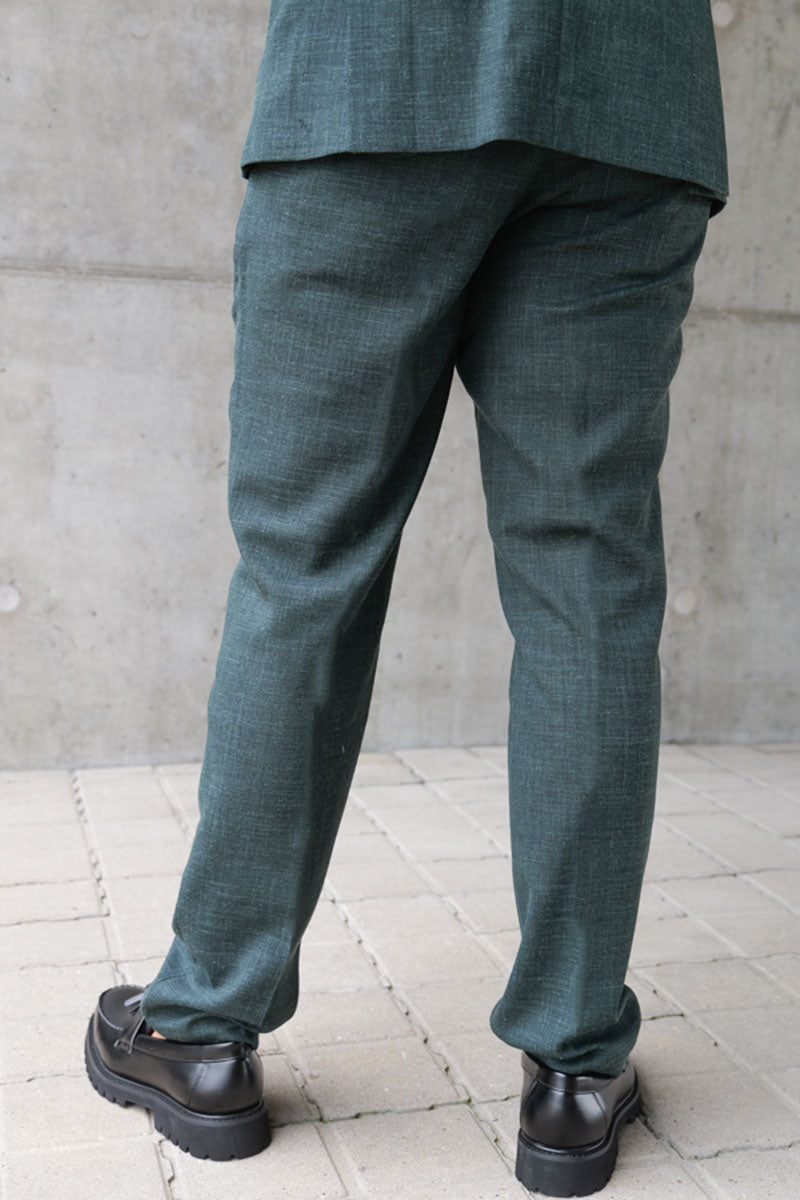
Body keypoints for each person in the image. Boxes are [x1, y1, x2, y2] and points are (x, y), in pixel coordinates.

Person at [84, 3, 727, 1195]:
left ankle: (202, 1031)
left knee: (302, 569)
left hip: (376, 74)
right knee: (587, 583)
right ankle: (574, 1069)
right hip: (626, 95)